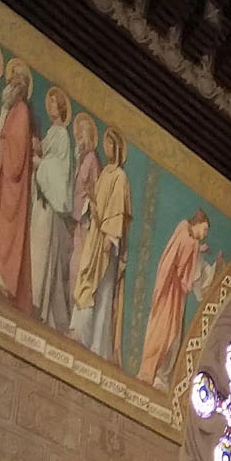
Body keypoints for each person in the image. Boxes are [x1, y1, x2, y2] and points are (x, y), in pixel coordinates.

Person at [69, 127, 130, 360]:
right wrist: (91, 204)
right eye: (105, 143)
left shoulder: (119, 177)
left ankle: (94, 342)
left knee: (101, 289)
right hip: (95, 235)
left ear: (117, 148)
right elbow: (100, 206)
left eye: (110, 144)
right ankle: (80, 331)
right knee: (87, 278)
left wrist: (110, 238)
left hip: (106, 242)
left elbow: (118, 211)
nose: (106, 147)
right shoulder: (105, 173)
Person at [134, 209, 214, 384]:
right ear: (197, 224)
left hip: (175, 293)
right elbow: (182, 256)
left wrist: (198, 249)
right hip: (170, 291)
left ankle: (160, 375)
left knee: (174, 333)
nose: (205, 234)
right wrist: (198, 248)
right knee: (164, 331)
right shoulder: (184, 231)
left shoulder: (187, 236)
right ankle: (152, 372)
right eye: (205, 229)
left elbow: (186, 254)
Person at [0, 57, 37, 306]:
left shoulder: (22, 112)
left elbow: (17, 155)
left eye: (15, 81)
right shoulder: (11, 110)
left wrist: (0, 141)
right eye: (10, 79)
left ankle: (4, 280)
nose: (10, 85)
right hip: (2, 181)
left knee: (6, 231)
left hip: (12, 186)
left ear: (21, 87)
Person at [29, 87, 76, 328]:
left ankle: (40, 302)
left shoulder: (63, 136)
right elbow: (46, 154)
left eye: (54, 103)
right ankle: (32, 297)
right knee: (35, 248)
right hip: (42, 201)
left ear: (62, 108)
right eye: (49, 103)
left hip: (50, 202)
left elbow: (60, 170)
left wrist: (41, 163)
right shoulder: (52, 132)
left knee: (43, 253)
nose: (50, 107)